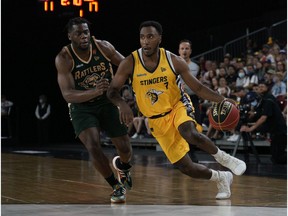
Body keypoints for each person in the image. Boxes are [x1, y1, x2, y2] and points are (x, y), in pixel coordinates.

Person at [107, 20, 246, 200]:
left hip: (177, 106)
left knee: (188, 132)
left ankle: (226, 159)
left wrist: (222, 99)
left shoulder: (174, 60)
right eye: (142, 37)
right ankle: (221, 177)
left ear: (159, 39)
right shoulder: (130, 62)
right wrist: (122, 104)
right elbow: (111, 91)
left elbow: (198, 88)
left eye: (150, 37)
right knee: (187, 168)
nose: (145, 41)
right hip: (156, 119)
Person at [54, 17, 132, 204]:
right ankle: (115, 185)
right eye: (79, 33)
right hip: (82, 107)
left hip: (107, 101)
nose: (83, 36)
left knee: (124, 147)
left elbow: (127, 66)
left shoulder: (103, 47)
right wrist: (94, 91)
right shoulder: (64, 58)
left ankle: (123, 167)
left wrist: (123, 93)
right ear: (70, 36)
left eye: (86, 32)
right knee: (93, 145)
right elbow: (67, 94)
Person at [240, 92, 287, 164]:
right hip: (274, 132)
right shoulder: (260, 106)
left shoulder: (267, 102)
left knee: (278, 157)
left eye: (252, 102)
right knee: (275, 157)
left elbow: (263, 118)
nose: (251, 104)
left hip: (280, 132)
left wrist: (250, 129)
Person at [178, 39, 201, 162]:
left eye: (187, 48)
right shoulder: (174, 64)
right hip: (179, 99)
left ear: (190, 51)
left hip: (193, 99)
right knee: (180, 127)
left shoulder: (196, 66)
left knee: (194, 125)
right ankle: (181, 154)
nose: (184, 51)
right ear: (179, 50)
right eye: (182, 48)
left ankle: (192, 152)